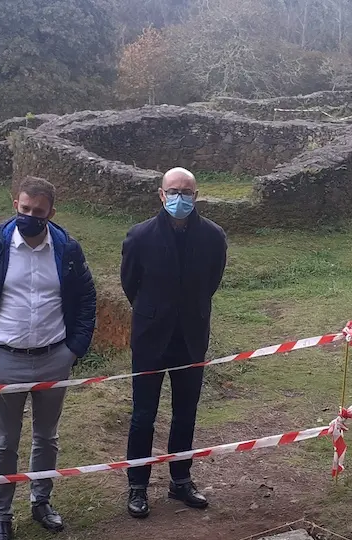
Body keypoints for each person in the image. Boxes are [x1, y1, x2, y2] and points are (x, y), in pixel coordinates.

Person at [0, 176, 97, 540]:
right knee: (5, 441)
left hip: (54, 356)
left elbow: (86, 299)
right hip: (5, 358)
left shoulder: (67, 250)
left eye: (38, 211)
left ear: (51, 212)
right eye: (24, 209)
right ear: (15, 204)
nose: (30, 216)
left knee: (47, 437)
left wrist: (75, 348)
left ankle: (41, 501)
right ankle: (0, 514)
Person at [120, 167, 228, 518]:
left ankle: (180, 480)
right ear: (161, 194)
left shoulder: (213, 237)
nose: (180, 197)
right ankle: (137, 486)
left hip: (190, 338)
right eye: (174, 191)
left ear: (196, 195)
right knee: (142, 417)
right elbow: (130, 285)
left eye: (187, 192)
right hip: (151, 339)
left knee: (185, 414)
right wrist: (155, 312)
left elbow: (212, 281)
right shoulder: (139, 237)